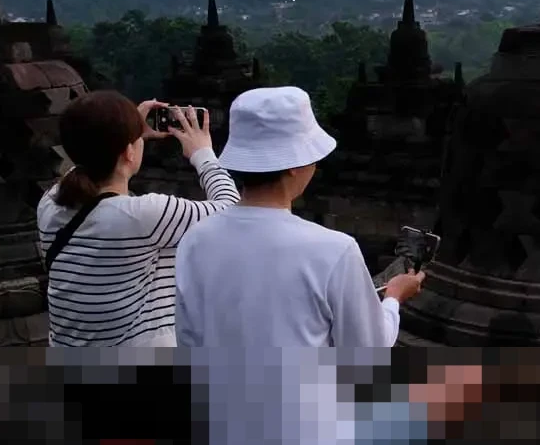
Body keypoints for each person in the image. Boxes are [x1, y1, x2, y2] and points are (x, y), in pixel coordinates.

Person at [174, 86, 425, 347]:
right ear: (295, 165)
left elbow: (188, 338)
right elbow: (369, 346)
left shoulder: (196, 239)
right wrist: (394, 298)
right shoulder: (334, 251)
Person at [37, 91, 240, 346]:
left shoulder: (50, 204)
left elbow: (87, 159)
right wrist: (203, 154)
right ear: (129, 153)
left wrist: (128, 134)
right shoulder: (141, 216)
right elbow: (235, 213)